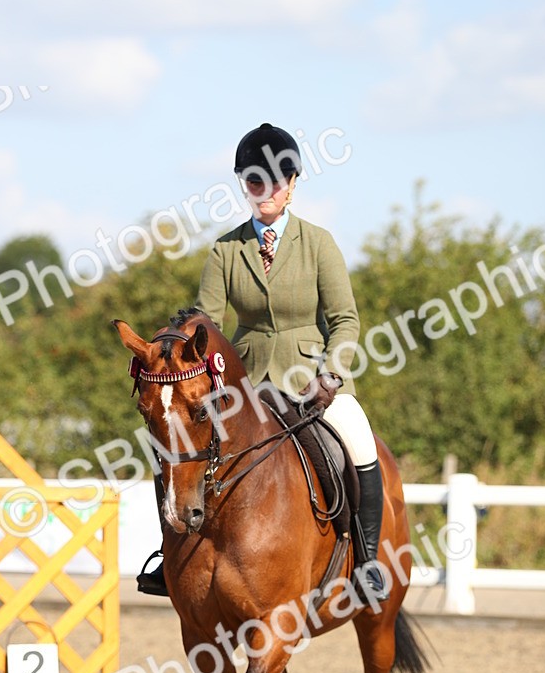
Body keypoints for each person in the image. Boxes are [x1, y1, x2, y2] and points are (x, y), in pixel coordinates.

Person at [137, 122, 389, 603]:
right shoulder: (226, 249)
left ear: (292, 185)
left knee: (356, 437)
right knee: (177, 444)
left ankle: (369, 561)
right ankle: (170, 554)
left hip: (312, 380)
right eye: (255, 182)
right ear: (244, 186)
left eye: (277, 181)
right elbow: (204, 324)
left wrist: (331, 375)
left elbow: (346, 319)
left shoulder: (319, 243)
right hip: (243, 384)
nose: (266, 191)